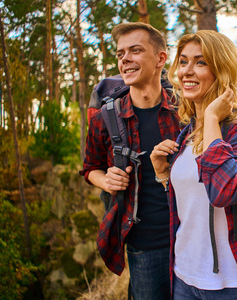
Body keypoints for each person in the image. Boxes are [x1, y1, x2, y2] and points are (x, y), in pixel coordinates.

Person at [150, 30, 237, 300]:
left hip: (232, 283)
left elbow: (224, 192)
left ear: (221, 70)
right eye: (183, 62)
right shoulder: (187, 134)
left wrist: (212, 118)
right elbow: (191, 206)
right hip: (183, 277)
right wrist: (163, 174)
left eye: (201, 62)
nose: (187, 72)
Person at [79, 22, 180, 300]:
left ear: (161, 58)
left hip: (191, 238)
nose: (125, 58)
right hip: (143, 245)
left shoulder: (185, 110)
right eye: (120, 53)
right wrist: (106, 180)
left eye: (135, 50)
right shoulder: (105, 118)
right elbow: (90, 168)